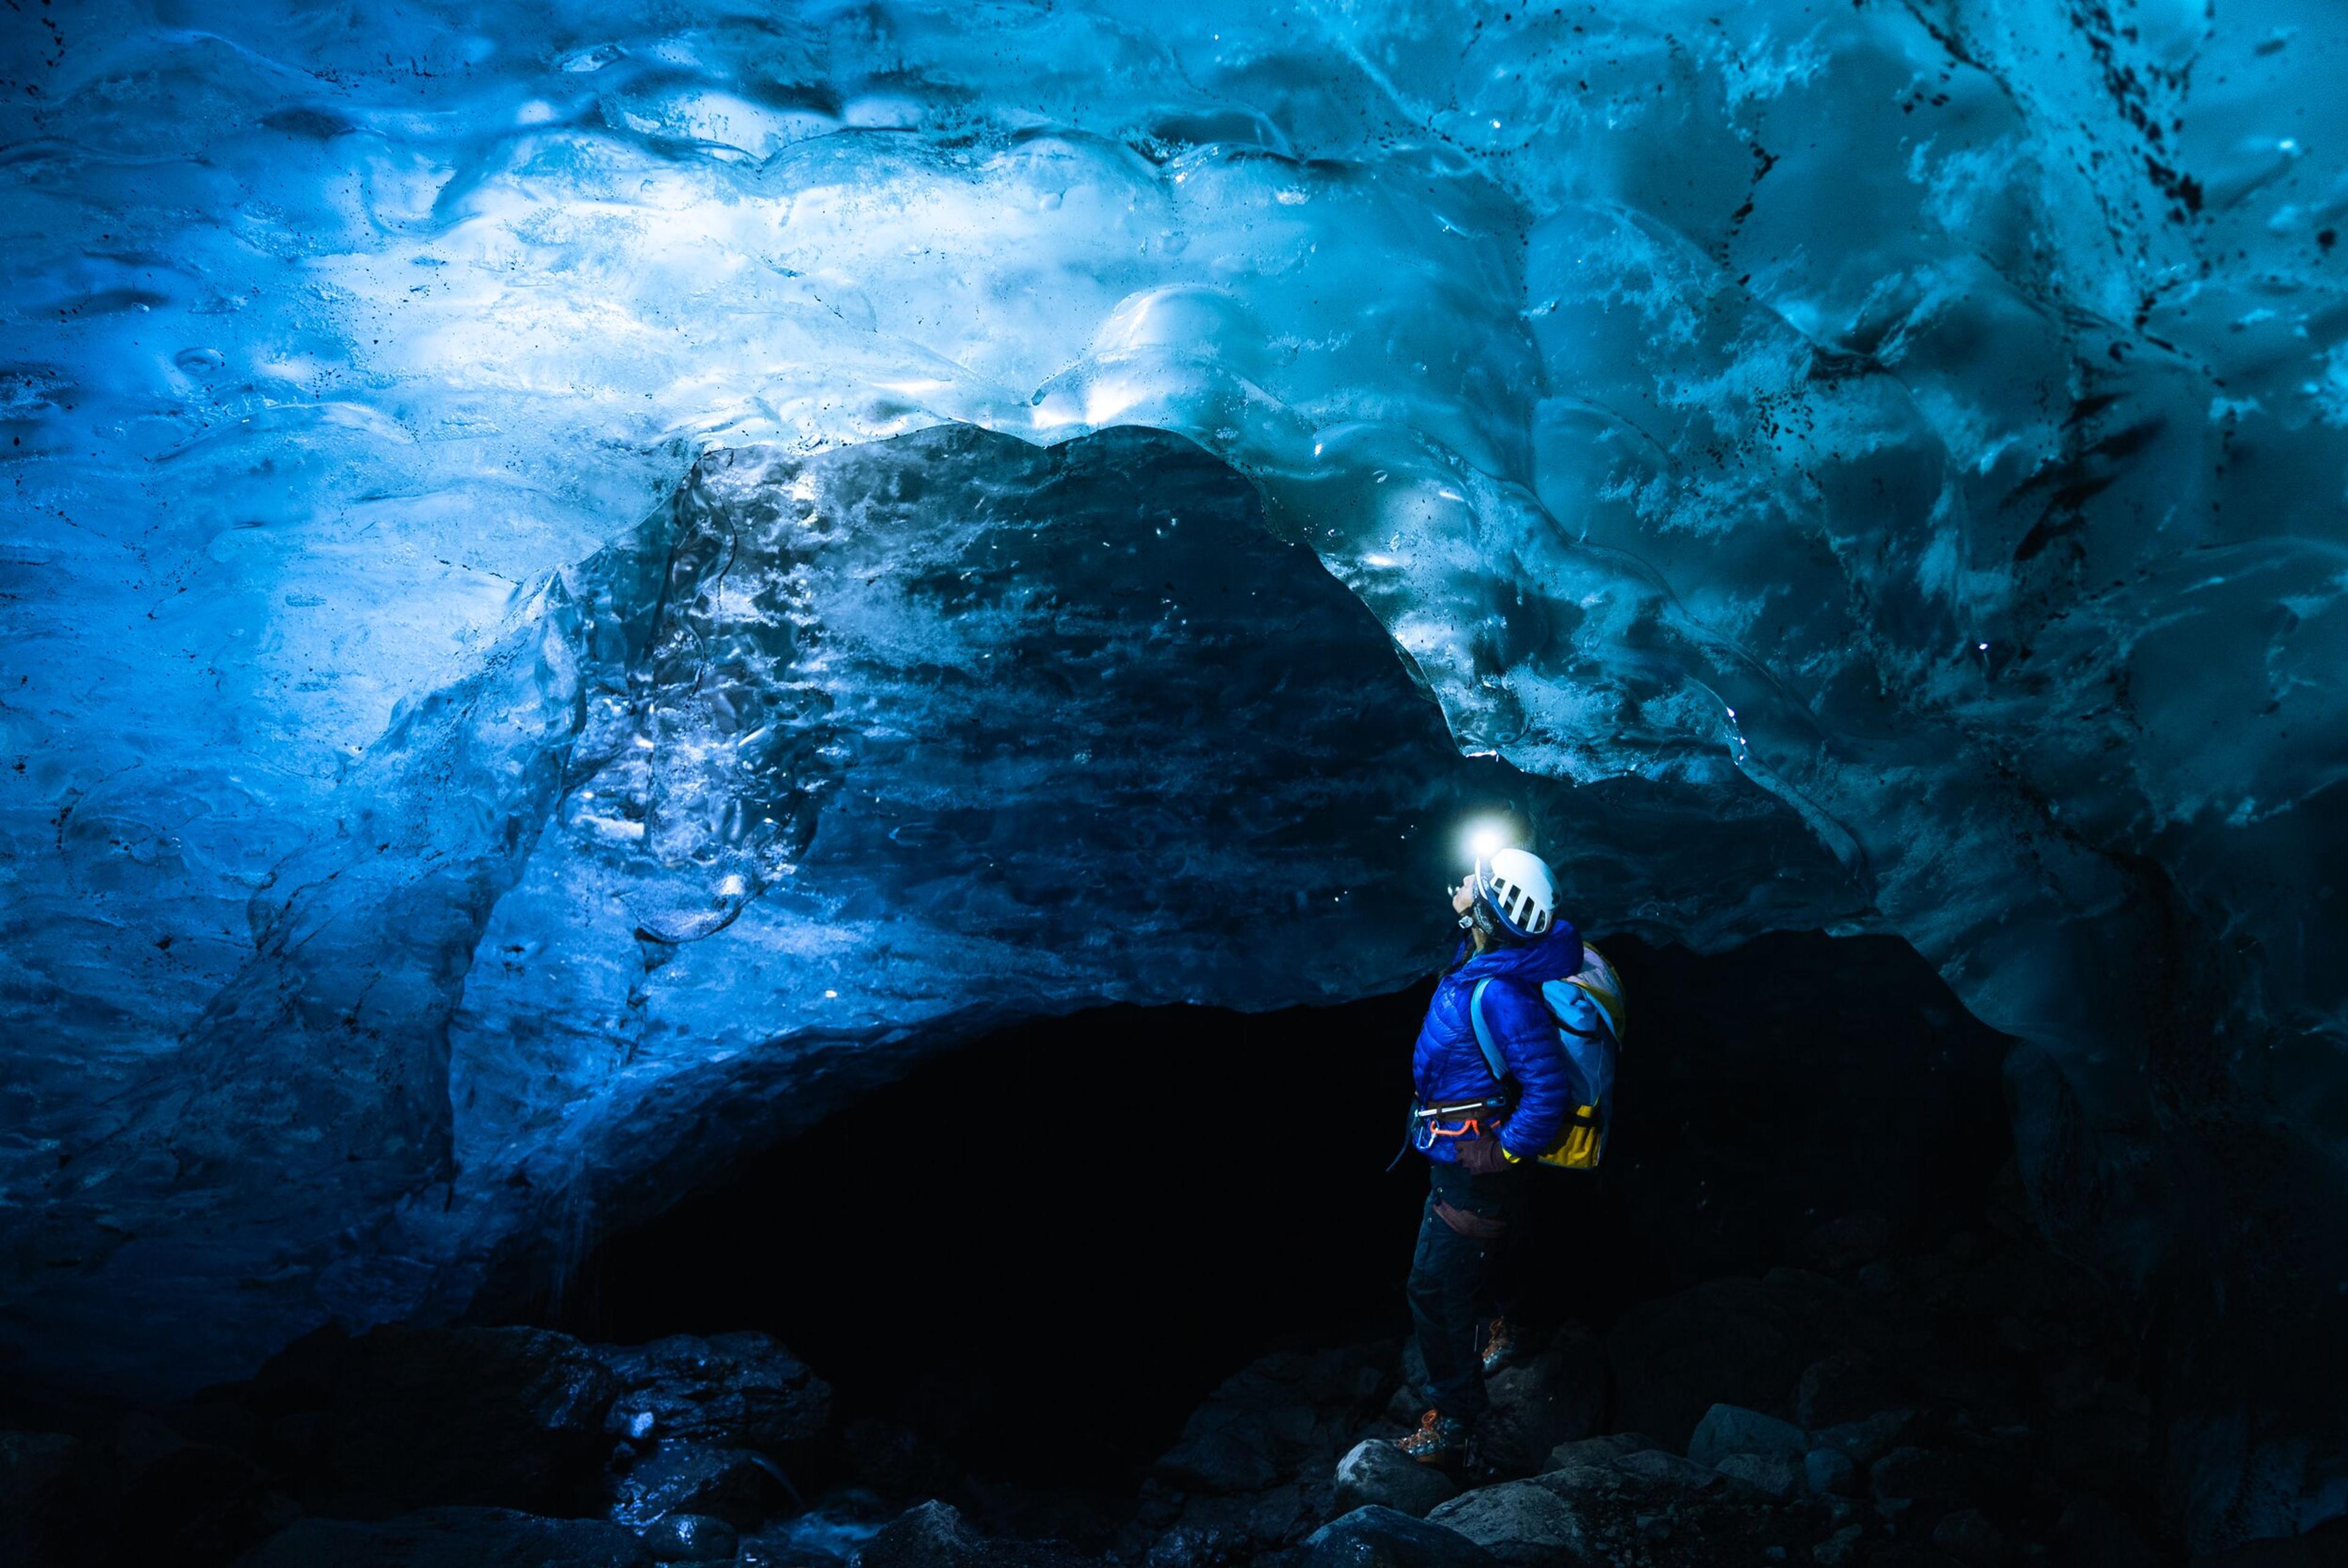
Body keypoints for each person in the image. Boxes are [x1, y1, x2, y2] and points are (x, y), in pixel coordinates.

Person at [1394, 845, 1582, 1465]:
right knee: (1494, 1253)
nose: (1462, 885)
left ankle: (1457, 1421)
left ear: (1490, 914)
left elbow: (1549, 1087)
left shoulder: (1501, 992)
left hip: (1472, 1164)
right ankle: (1514, 1327)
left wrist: (1504, 1150)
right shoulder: (1483, 961)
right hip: (1456, 1150)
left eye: (1473, 884)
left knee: (1433, 1288)